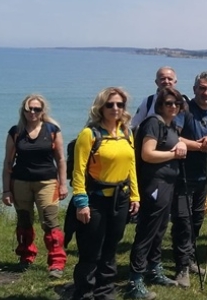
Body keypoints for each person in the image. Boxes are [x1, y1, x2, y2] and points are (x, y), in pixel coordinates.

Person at [70, 87, 140, 300]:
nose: (115, 108)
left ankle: (105, 292)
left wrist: (135, 196)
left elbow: (131, 166)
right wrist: (81, 202)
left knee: (110, 249)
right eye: (110, 104)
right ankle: (85, 293)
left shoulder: (126, 133)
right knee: (91, 251)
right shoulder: (89, 134)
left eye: (120, 104)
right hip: (95, 201)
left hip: (120, 200)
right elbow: (79, 170)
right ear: (101, 107)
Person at [126, 88, 189, 297]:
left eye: (177, 103)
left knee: (160, 229)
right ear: (160, 105)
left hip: (167, 184)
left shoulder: (170, 126)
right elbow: (147, 154)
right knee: (147, 230)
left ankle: (153, 269)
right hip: (154, 184)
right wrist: (174, 154)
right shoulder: (154, 123)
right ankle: (135, 280)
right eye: (168, 103)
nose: (173, 107)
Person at [1, 94, 67, 277]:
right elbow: (8, 162)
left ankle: (56, 263)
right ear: (23, 110)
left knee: (50, 221)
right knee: (24, 220)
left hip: (47, 183)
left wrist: (63, 184)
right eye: (29, 108)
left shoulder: (52, 130)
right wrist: (6, 190)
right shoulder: (16, 132)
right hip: (20, 183)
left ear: (42, 111)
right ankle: (26, 256)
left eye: (37, 109)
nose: (32, 112)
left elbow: (61, 159)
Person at [172, 71, 207, 287]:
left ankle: (189, 258)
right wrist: (198, 146)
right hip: (182, 177)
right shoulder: (184, 110)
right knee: (183, 222)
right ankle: (181, 268)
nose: (206, 92)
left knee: (196, 220)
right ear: (195, 89)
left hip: (204, 176)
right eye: (202, 88)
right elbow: (173, 136)